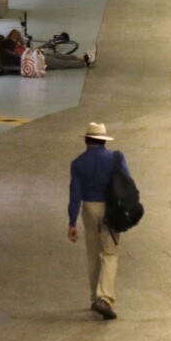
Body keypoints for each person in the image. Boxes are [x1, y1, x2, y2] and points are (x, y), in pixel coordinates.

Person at [67, 122, 133, 319]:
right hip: (109, 209)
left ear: (87, 140)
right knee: (109, 254)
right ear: (103, 140)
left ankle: (93, 297)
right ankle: (104, 298)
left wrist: (72, 223)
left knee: (93, 253)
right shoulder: (115, 159)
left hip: (88, 208)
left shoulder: (78, 163)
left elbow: (74, 195)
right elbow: (127, 182)